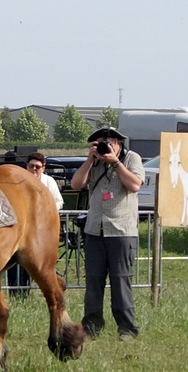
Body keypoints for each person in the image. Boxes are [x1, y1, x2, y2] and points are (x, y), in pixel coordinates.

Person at [70, 127, 144, 342]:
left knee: (121, 282)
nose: (104, 147)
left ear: (118, 143)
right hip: (95, 229)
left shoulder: (131, 158)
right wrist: (89, 160)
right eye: (100, 143)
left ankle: (126, 328)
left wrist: (115, 162)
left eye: (108, 142)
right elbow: (76, 184)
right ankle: (91, 325)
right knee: (93, 281)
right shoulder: (94, 162)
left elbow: (134, 185)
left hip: (121, 230)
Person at [7, 152, 65, 298]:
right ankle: (16, 293)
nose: (33, 169)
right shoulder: (18, 180)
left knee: (35, 260)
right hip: (22, 227)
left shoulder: (49, 181)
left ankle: (34, 292)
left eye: (37, 167)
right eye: (31, 166)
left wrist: (47, 210)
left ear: (43, 168)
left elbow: (59, 201)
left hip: (41, 228)